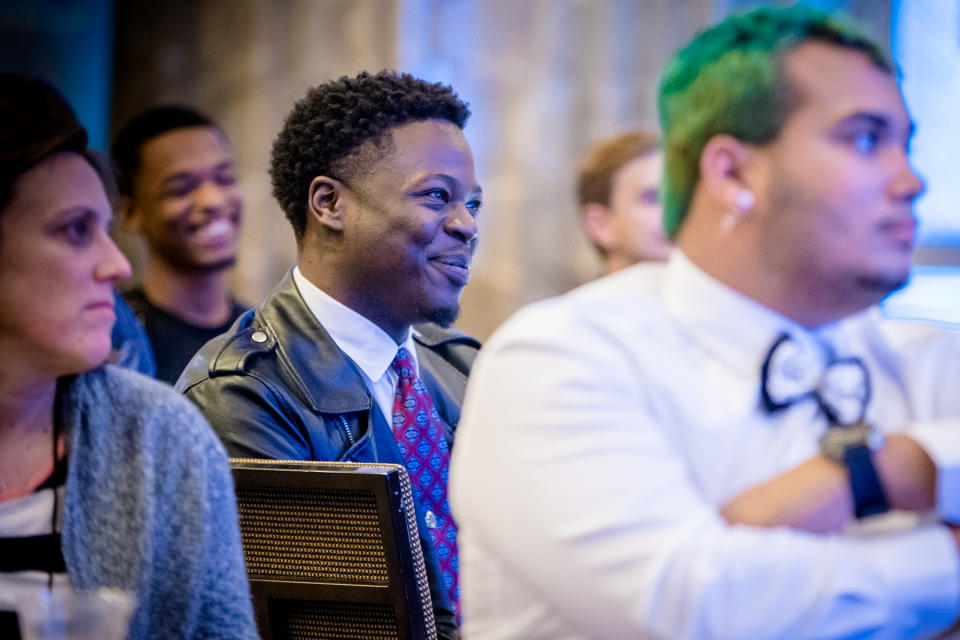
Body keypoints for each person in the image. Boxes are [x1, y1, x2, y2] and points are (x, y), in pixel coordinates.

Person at [450, 6, 960, 639]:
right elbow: (699, 611)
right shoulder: (561, 359)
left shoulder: (928, 361)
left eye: (904, 145)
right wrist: (901, 484)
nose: (912, 180)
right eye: (863, 139)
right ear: (733, 172)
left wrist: (908, 460)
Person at [178, 70, 482, 639]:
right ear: (329, 203)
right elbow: (336, 626)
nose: (466, 225)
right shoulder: (243, 395)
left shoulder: (467, 367)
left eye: (474, 204)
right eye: (439, 196)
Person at [0, 74, 257, 639]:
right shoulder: (133, 341)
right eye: (73, 229)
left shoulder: (165, 429)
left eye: (223, 178)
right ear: (135, 209)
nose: (114, 266)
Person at [111, 106, 247, 384]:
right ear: (130, 213)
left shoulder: (264, 333)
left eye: (225, 179)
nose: (213, 201)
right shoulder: (114, 339)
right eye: (181, 188)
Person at [576, 131, 672, 274]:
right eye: (653, 198)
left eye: (677, 196)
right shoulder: (586, 297)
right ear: (601, 223)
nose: (675, 211)